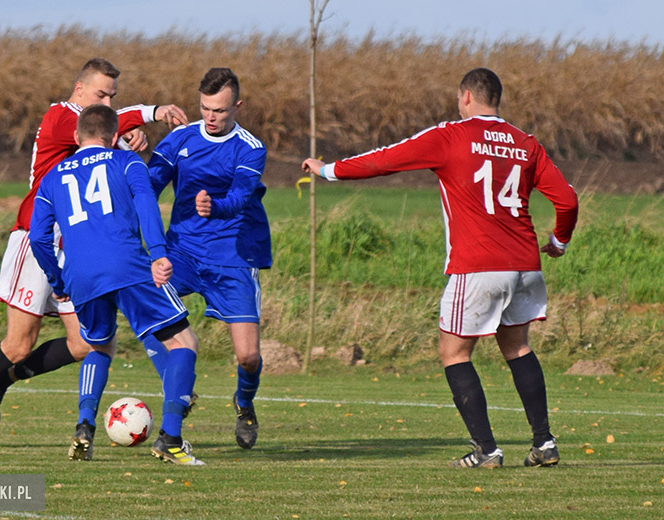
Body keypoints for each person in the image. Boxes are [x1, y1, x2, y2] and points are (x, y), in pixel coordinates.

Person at [302, 68, 578, 468]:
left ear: (465, 97)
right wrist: (559, 241)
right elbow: (567, 199)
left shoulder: (451, 136)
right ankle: (544, 443)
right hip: (525, 264)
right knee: (517, 347)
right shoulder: (525, 143)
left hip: (478, 264)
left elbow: (387, 159)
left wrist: (328, 169)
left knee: (453, 352)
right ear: (496, 99)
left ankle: (487, 450)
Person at [0, 58, 188, 449]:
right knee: (19, 344)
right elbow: (98, 127)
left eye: (112, 96)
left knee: (85, 344)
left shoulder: (93, 130)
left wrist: (128, 139)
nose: (107, 102)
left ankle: (4, 379)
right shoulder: (59, 116)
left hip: (73, 248)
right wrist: (149, 113)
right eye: (101, 94)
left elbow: (105, 141)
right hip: (34, 239)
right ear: (79, 89)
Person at [29, 104, 203, 464]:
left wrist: (56, 278)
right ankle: (170, 439)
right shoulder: (127, 162)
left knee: (99, 345)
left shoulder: (52, 176)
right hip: (127, 265)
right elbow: (146, 203)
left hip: (80, 275)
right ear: (113, 138)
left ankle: (84, 426)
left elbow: (38, 238)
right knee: (183, 342)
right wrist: (158, 253)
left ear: (76, 136)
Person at [144, 67, 270, 450]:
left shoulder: (250, 148)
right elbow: (148, 185)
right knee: (142, 301)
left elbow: (240, 197)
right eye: (205, 108)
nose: (211, 117)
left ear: (237, 106)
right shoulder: (179, 139)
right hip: (182, 252)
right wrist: (128, 156)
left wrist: (214, 207)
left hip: (232, 257)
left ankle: (244, 403)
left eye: (220, 110)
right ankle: (179, 386)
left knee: (248, 357)